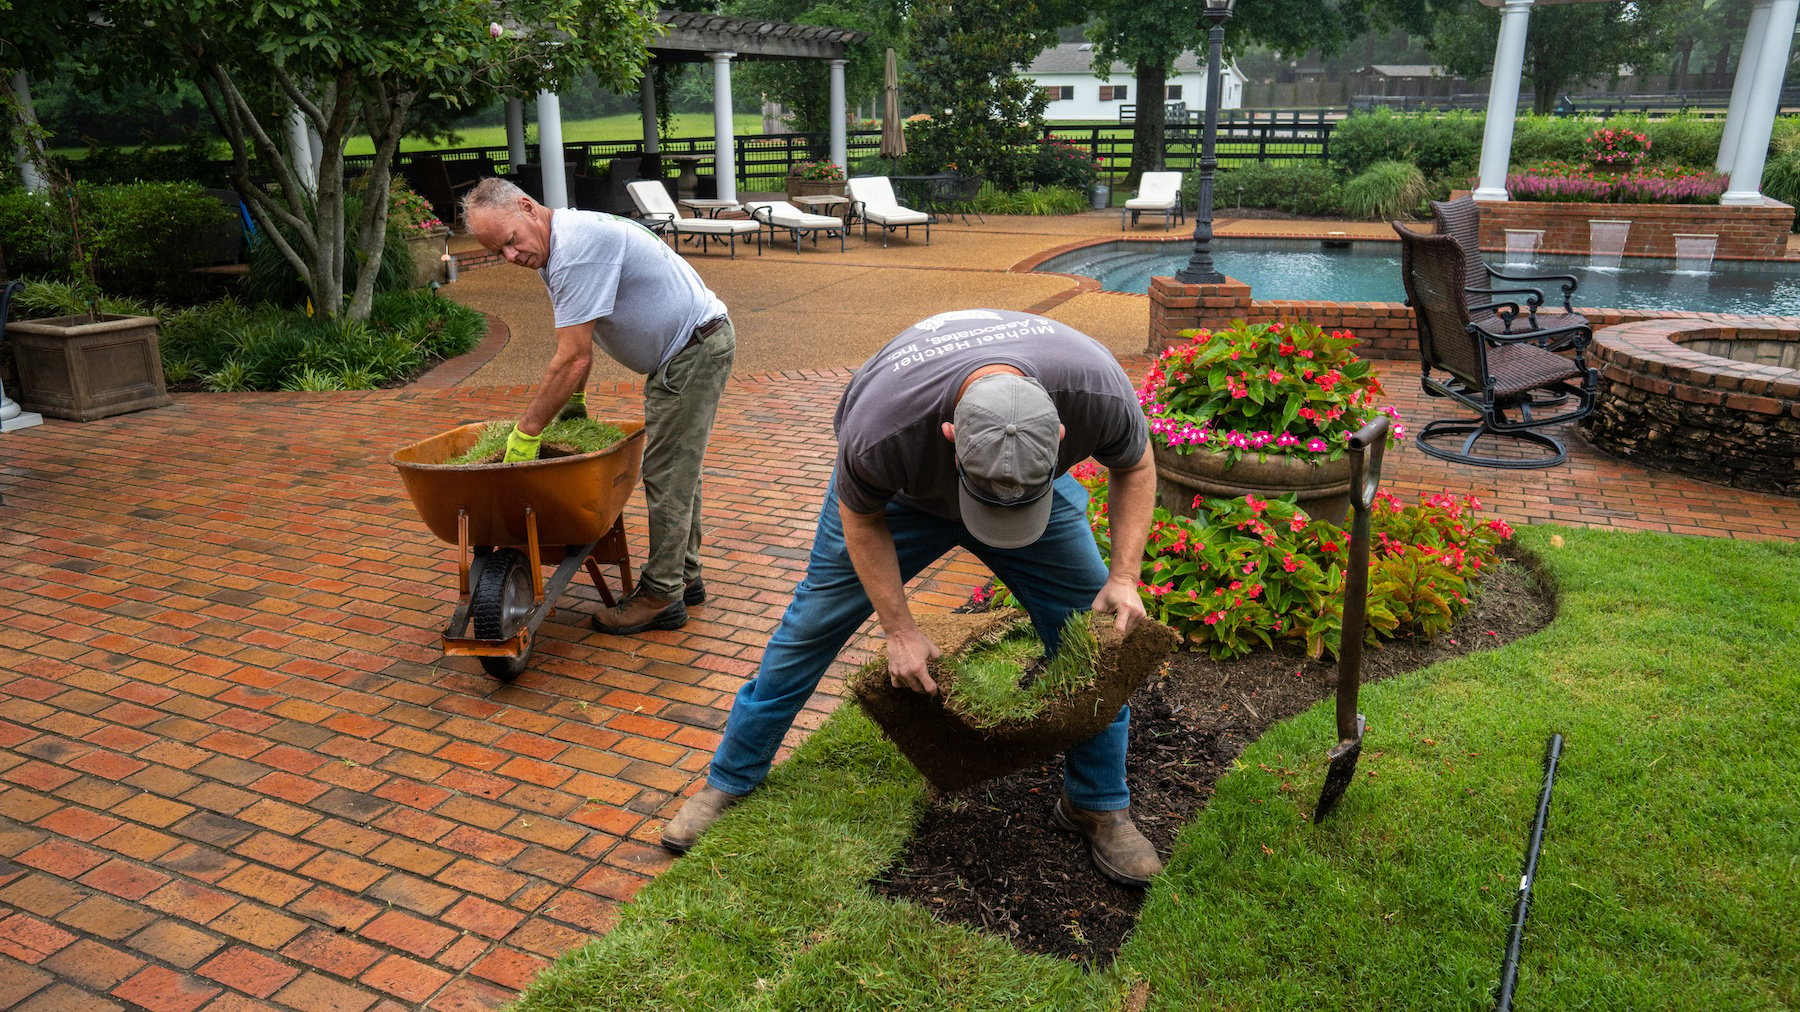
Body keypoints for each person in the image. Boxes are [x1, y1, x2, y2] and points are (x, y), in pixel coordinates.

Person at [662, 309, 1163, 887]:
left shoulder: (1096, 387)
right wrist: (898, 628)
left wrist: (1124, 576)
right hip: (899, 503)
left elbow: (1137, 463)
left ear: (1058, 435)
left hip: (1034, 496)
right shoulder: (882, 427)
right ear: (950, 434)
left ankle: (1098, 803)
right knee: (810, 625)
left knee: (1093, 635)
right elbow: (861, 516)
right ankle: (730, 779)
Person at [461, 177, 734, 635]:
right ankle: (685, 577)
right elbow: (581, 334)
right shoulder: (559, 243)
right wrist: (578, 400)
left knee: (668, 475)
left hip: (692, 351)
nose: (511, 257)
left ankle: (661, 596)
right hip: (691, 348)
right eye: (498, 253)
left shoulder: (575, 250)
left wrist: (526, 433)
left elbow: (572, 356)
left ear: (528, 207)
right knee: (678, 469)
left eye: (510, 241)